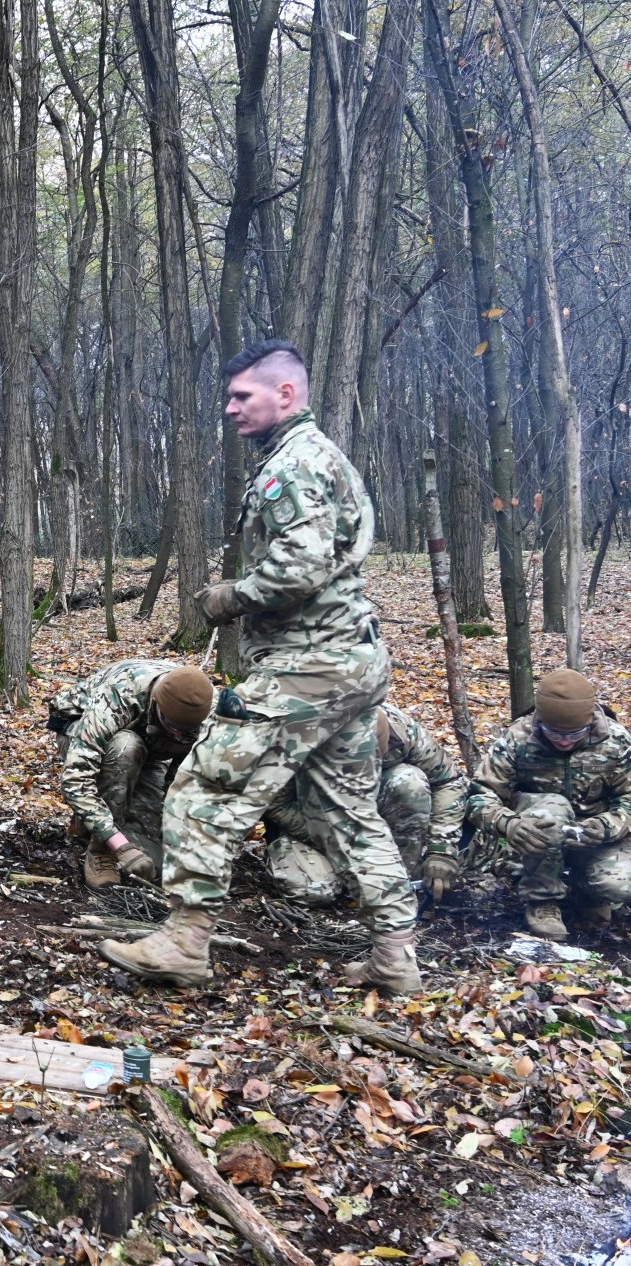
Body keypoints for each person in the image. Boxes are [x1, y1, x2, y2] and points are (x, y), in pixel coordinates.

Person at [98, 339, 421, 994]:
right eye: (229, 396)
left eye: (242, 396)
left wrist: (229, 597)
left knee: (205, 781)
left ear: (286, 395)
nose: (230, 409)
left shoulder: (292, 468)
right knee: (352, 810)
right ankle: (395, 955)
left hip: (308, 666)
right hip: (354, 662)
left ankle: (185, 941)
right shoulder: (324, 458)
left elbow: (297, 570)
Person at [465, 668, 631, 940]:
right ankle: (542, 901)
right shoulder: (518, 738)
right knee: (552, 808)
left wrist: (607, 826)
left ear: (590, 722)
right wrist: (508, 824)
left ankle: (586, 891)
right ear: (540, 720)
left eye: (575, 733)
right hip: (538, 835)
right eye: (554, 733)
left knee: (620, 883)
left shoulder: (617, 741)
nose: (564, 741)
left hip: (596, 836)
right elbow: (480, 795)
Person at [263, 703, 468, 906]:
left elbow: (448, 781)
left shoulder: (401, 730)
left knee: (409, 781)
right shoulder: (292, 740)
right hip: (311, 821)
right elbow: (276, 805)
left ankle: (399, 878)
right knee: (313, 891)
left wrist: (441, 849)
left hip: (372, 811)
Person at [49, 660, 214, 888]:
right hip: (79, 729)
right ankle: (100, 851)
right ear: (156, 704)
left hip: (150, 749)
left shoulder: (209, 712)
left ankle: (94, 820)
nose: (178, 736)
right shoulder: (119, 694)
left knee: (154, 864)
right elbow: (76, 778)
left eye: (186, 732)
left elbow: (191, 783)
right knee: (126, 747)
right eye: (173, 727)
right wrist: (118, 845)